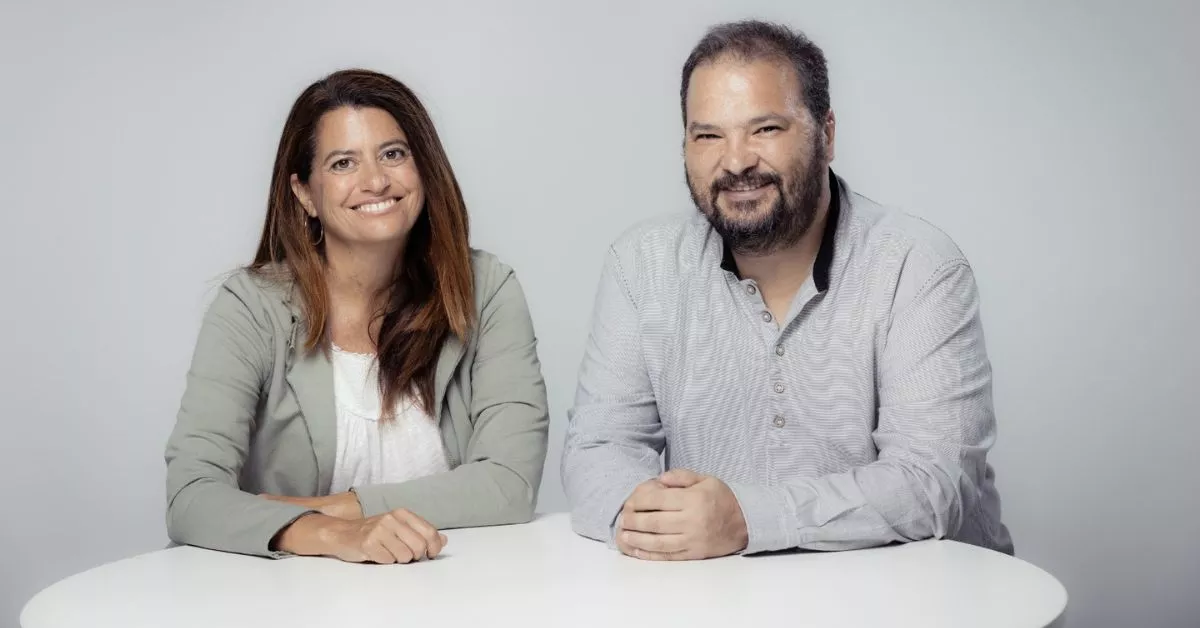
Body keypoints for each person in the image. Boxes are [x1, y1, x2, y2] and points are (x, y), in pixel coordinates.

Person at [562, 20, 1013, 560]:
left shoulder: (917, 266)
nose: (735, 161)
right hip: (727, 599)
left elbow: (935, 483)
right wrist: (654, 519)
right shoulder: (640, 266)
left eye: (766, 129)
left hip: (921, 601)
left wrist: (747, 519)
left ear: (827, 134)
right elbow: (600, 446)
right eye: (707, 135)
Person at [165, 69, 549, 563]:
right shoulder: (251, 306)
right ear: (305, 194)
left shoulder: (486, 290)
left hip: (458, 591)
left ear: (423, 169)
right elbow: (191, 495)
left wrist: (335, 509)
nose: (375, 180)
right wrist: (332, 535)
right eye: (344, 162)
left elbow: (509, 484)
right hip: (291, 601)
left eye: (393, 154)